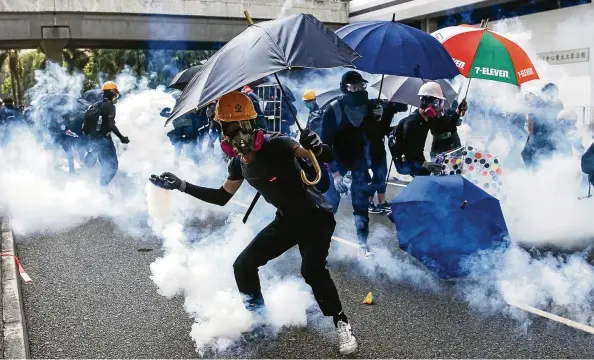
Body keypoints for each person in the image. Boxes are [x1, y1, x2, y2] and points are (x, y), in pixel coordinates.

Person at [149, 91, 358, 355]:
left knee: (312, 270)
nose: (229, 136)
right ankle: (260, 320)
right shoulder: (238, 164)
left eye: (234, 128)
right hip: (286, 221)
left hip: (315, 217)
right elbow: (222, 197)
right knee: (243, 266)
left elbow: (320, 163)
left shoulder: (280, 144)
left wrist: (316, 146)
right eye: (224, 129)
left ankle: (341, 321)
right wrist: (181, 185)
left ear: (249, 126)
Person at [320, 71, 383, 256]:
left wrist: (380, 117)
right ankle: (321, 245)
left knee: (361, 206)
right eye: (353, 87)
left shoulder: (371, 107)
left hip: (360, 165)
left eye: (360, 86)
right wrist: (335, 174)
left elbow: (377, 136)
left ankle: (363, 243)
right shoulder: (333, 109)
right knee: (329, 207)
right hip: (337, 164)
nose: (358, 90)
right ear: (345, 88)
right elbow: (325, 145)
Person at [388, 83, 449, 177]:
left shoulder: (425, 118)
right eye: (437, 103)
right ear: (427, 102)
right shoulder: (413, 123)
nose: (439, 107)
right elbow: (410, 152)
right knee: (427, 178)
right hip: (405, 161)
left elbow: (442, 125)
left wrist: (457, 113)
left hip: (415, 155)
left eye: (441, 102)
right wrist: (425, 164)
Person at [83, 81, 130, 187]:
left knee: (105, 164)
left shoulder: (95, 105)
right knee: (113, 166)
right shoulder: (110, 107)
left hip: (94, 139)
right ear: (113, 93)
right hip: (104, 141)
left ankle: (93, 153)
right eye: (116, 94)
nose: (116, 96)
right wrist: (122, 138)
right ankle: (102, 187)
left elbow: (86, 126)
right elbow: (111, 125)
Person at [366, 100, 408, 215]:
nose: (405, 107)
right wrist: (397, 128)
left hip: (378, 145)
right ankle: (368, 202)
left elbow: (383, 129)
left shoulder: (388, 109)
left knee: (381, 175)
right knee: (378, 176)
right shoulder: (385, 109)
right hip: (372, 147)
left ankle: (381, 202)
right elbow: (380, 129)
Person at [522, 84, 564, 169]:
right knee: (544, 159)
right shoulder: (557, 102)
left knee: (536, 158)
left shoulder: (537, 102)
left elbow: (530, 121)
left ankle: (535, 176)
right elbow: (561, 120)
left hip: (543, 136)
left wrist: (531, 135)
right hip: (547, 136)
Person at [421, 83, 466, 160]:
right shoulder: (428, 115)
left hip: (450, 143)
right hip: (441, 146)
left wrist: (460, 111)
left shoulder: (448, 111)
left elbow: (456, 121)